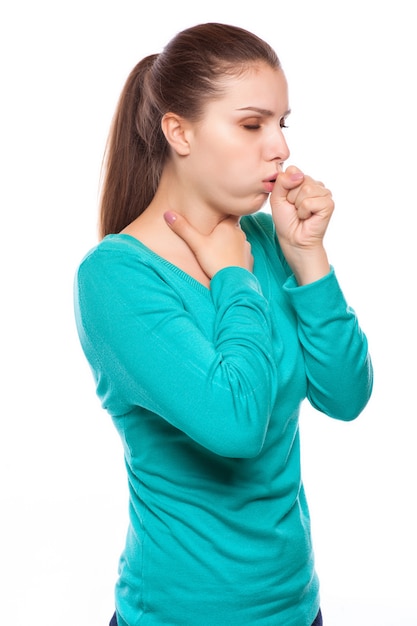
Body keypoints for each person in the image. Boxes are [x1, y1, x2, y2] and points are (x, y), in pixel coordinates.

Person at [73, 22, 373, 626]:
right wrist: (233, 280)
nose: (280, 148)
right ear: (179, 132)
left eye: (282, 124)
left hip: (295, 608)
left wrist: (308, 256)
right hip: (178, 615)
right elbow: (236, 426)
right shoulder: (115, 277)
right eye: (251, 124)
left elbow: (346, 395)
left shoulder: (267, 240)